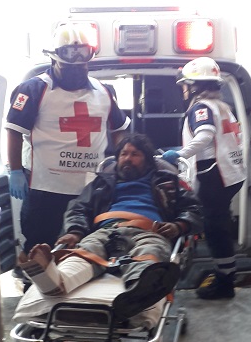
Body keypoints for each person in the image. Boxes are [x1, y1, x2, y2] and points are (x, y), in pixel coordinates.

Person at [20, 133, 203, 320]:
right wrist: (75, 231)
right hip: (105, 231)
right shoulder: (101, 182)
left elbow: (193, 209)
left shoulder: (168, 181)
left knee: (150, 253)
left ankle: (137, 294)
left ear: (148, 160)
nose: (127, 158)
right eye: (124, 154)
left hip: (150, 232)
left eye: (135, 154)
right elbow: (78, 208)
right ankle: (53, 282)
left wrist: (179, 225)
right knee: (86, 251)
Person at [5, 22, 131, 269]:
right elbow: (14, 130)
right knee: (40, 249)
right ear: (53, 59)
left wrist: (120, 163)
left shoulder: (103, 91)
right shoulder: (34, 89)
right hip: (45, 189)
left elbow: (120, 130)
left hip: (90, 189)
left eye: (82, 65)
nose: (76, 70)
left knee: (89, 249)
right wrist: (16, 170)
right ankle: (38, 289)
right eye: (68, 65)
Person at [162, 57, 246, 300]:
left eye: (185, 85)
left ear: (194, 86)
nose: (183, 89)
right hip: (231, 174)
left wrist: (179, 154)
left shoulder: (201, 108)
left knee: (215, 229)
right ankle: (225, 272)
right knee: (219, 225)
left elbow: (205, 135)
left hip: (215, 175)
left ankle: (225, 282)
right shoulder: (222, 106)